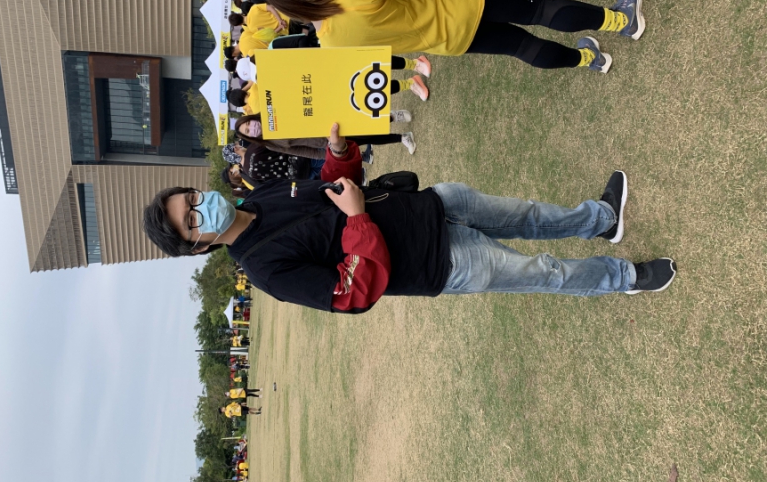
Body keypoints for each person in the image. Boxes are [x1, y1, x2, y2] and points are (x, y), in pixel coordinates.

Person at [143, 123, 678, 314]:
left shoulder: (259, 196)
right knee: (545, 272)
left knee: (529, 214)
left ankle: (600, 218)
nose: (200, 206)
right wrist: (356, 221)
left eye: (192, 198)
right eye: (192, 220)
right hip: (439, 263)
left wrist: (340, 156)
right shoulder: (265, 270)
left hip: (431, 206)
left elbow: (332, 189)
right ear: (199, 246)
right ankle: (625, 278)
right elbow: (350, 294)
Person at [260, 0, 647, 72]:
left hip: (451, 40)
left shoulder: (331, 45)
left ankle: (589, 60)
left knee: (523, 47)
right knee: (541, 11)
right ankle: (620, 21)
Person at [234, 114, 417, 157]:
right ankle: (402, 137)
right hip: (328, 141)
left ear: (251, 118)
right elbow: (300, 151)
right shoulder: (270, 143)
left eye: (249, 124)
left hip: (330, 120)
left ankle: (393, 116)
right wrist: (325, 154)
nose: (252, 128)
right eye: (248, 131)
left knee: (365, 125)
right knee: (366, 140)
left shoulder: (272, 110)